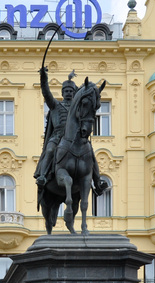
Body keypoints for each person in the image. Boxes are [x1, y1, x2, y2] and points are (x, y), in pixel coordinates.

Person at [35, 66, 107, 194]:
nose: (68, 93)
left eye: (71, 91)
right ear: (62, 93)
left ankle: (97, 181)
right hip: (57, 136)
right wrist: (43, 77)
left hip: (75, 138)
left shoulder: (77, 106)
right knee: (50, 149)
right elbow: (46, 92)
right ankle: (43, 175)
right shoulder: (55, 104)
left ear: (74, 93)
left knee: (90, 152)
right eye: (66, 91)